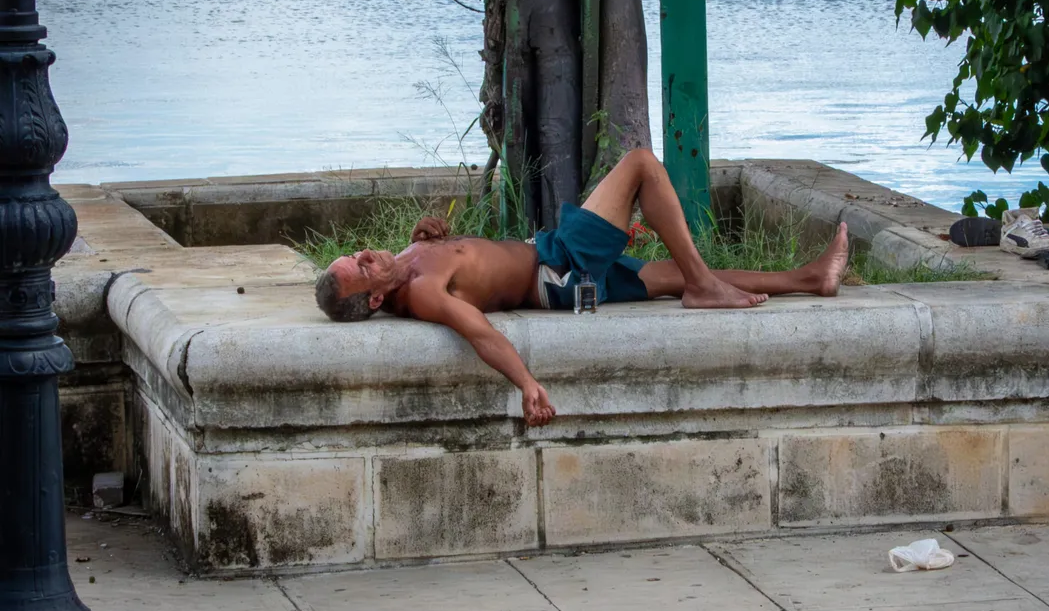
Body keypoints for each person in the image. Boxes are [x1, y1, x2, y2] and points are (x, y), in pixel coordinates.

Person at [315, 149, 851, 426]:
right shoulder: (424, 292)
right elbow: (478, 331)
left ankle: (809, 279)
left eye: (356, 253)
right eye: (361, 268)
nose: (364, 255)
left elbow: (470, 264)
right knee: (640, 163)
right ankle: (707, 286)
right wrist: (527, 383)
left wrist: (432, 240)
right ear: (378, 298)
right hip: (557, 272)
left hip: (550, 257)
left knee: (671, 274)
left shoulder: (407, 262)